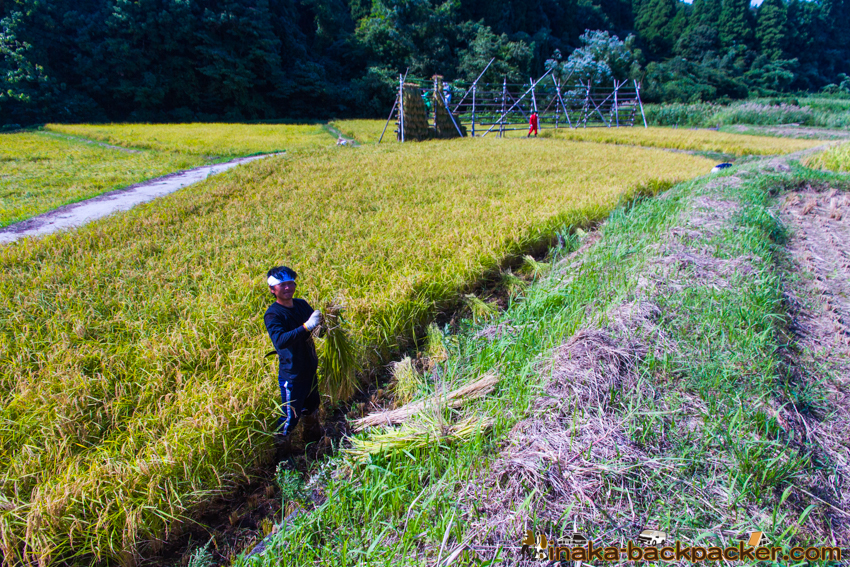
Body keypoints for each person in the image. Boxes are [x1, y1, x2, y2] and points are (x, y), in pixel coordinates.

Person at [264, 266, 322, 453]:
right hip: (293, 373)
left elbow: (317, 330)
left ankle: (314, 442)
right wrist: (306, 326)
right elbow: (280, 341)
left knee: (311, 407)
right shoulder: (274, 314)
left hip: (310, 368)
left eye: (291, 283)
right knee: (289, 416)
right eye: (283, 285)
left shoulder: (302, 305)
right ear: (273, 289)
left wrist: (325, 324)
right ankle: (282, 458)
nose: (288, 288)